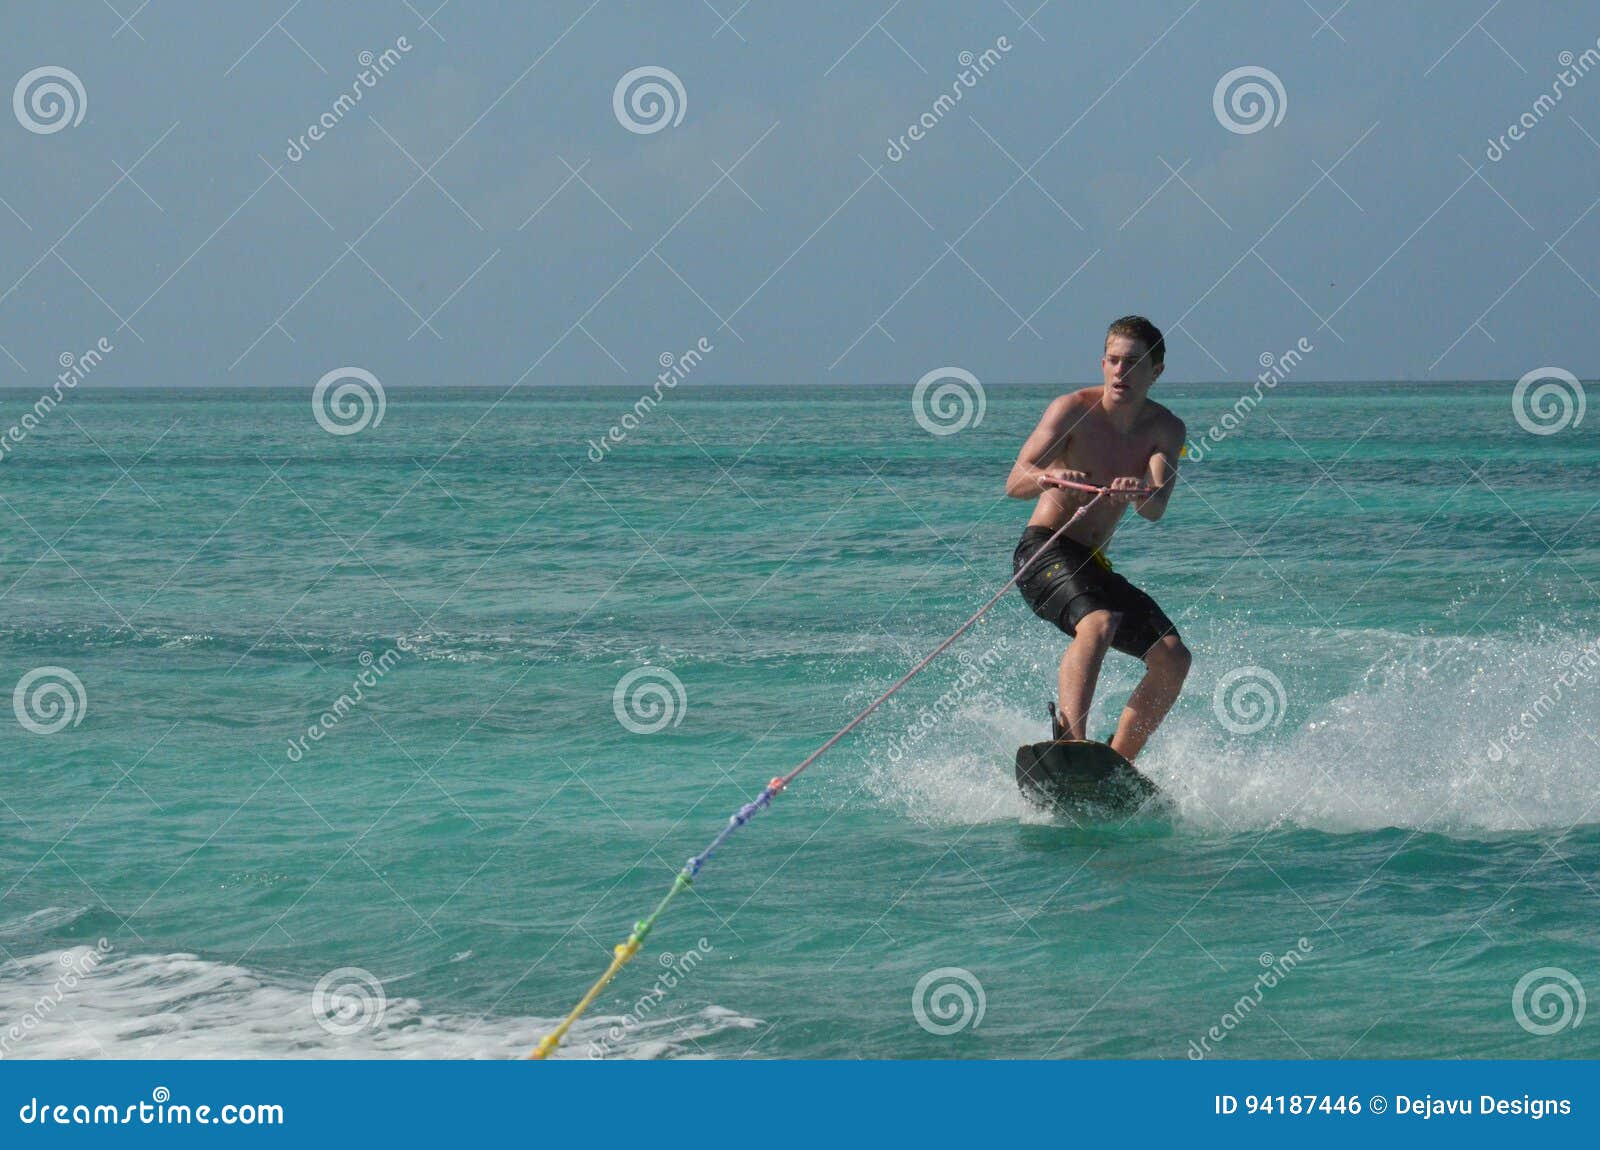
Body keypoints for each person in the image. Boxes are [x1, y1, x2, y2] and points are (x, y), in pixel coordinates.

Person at [1005, 315, 1190, 763]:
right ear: (1102, 363)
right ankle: (1073, 745)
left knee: (1173, 658)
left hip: (1091, 562)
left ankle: (1116, 764)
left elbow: (1155, 508)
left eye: (1133, 363)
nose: (1120, 372)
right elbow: (1015, 481)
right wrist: (1049, 478)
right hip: (1044, 549)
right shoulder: (1072, 410)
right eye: (1113, 361)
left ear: (1157, 370)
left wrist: (1138, 492)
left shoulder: (1166, 429)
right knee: (1099, 623)